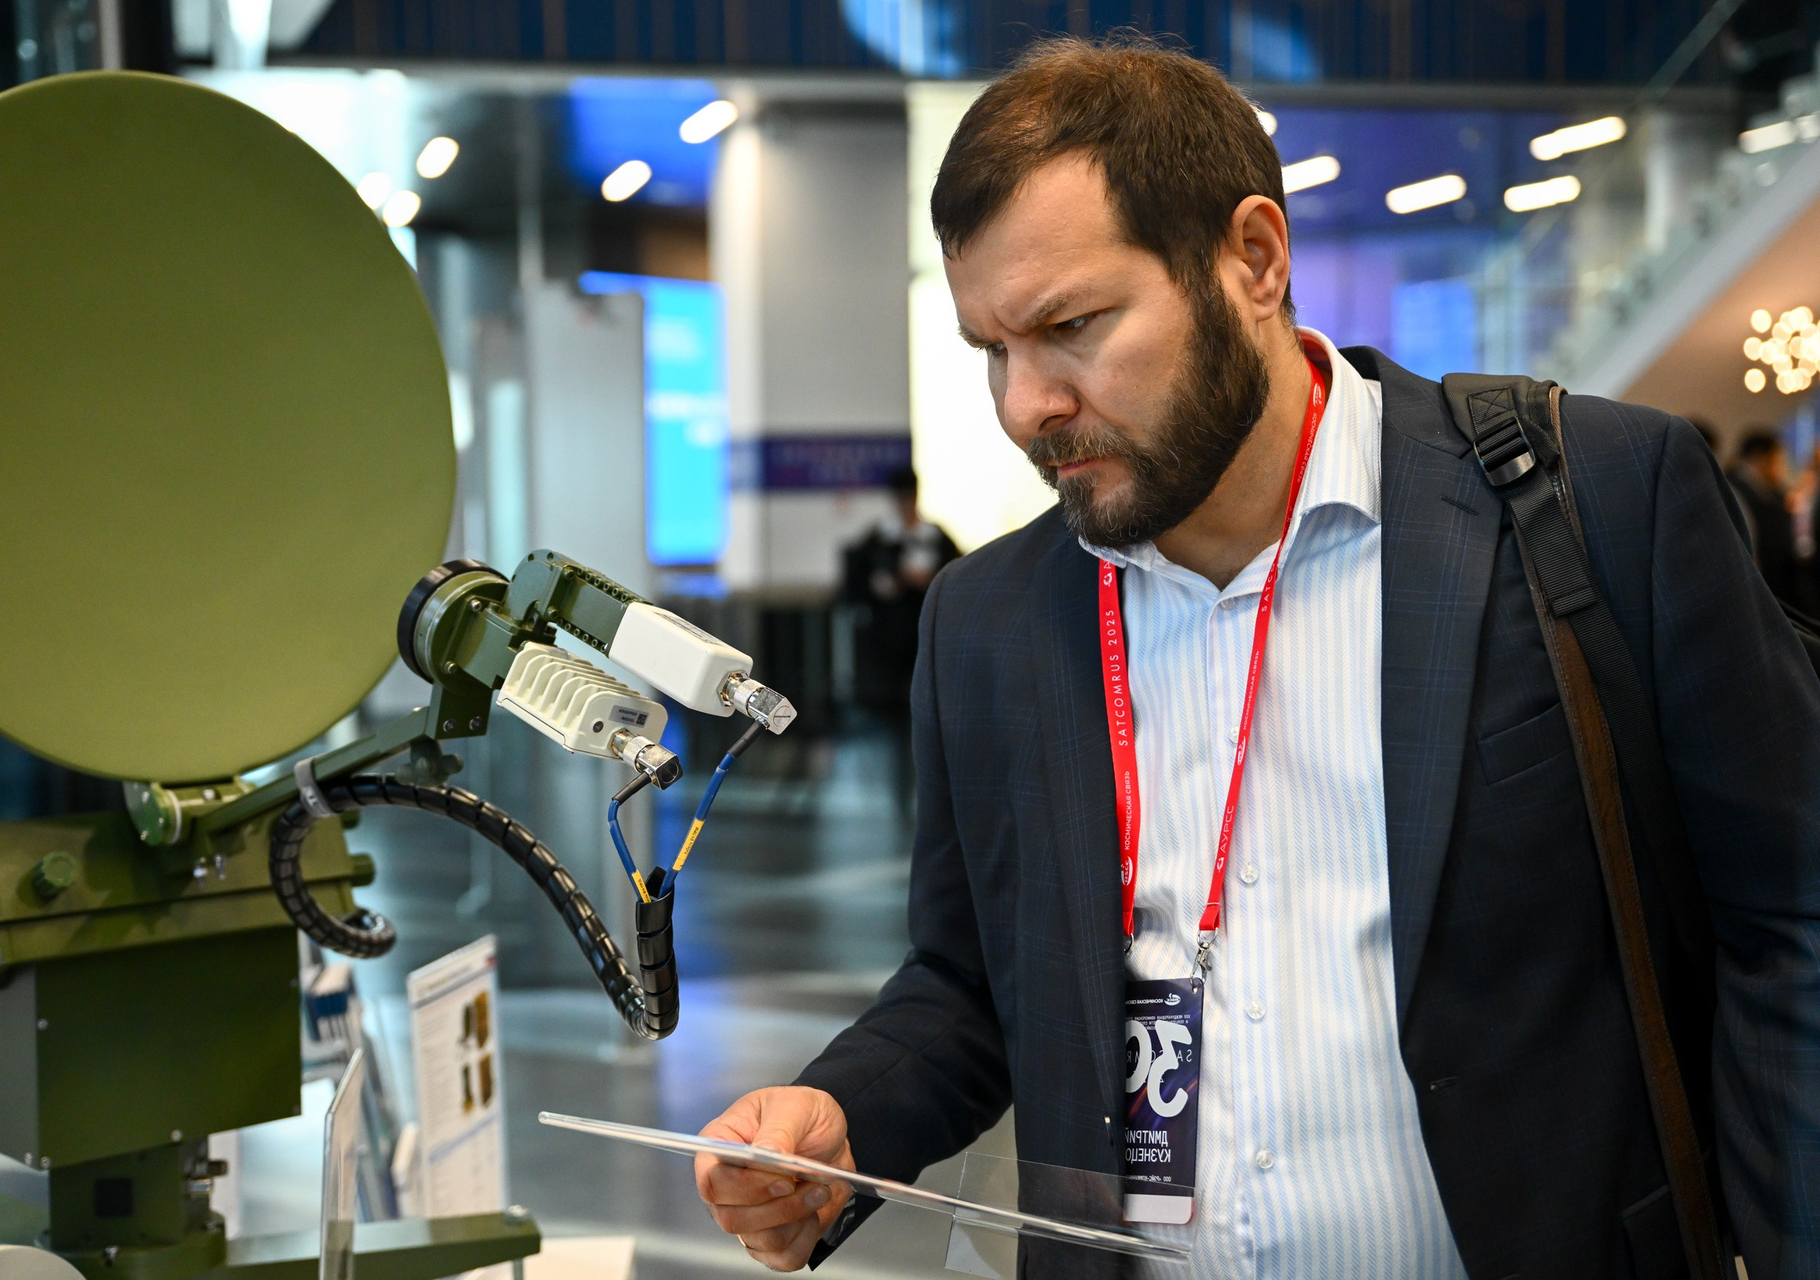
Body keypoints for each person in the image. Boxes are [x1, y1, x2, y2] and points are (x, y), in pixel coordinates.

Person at [693, 35, 1820, 1279]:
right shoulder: (990, 621)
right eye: (991, 349)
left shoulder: (1590, 502)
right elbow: (970, 980)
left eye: (1071, 326)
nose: (1025, 405)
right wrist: (844, 1111)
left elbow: (1792, 920)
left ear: (1255, 260)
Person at [839, 466, 960, 717]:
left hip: (926, 630)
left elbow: (957, 575)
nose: (907, 506)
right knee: (891, 704)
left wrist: (929, 579)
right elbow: (853, 585)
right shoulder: (878, 539)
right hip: (887, 635)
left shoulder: (935, 537)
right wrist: (890, 582)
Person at [1726, 430, 1801, 604]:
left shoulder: (1768, 490)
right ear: (1761, 457)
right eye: (1778, 460)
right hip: (1762, 582)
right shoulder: (1734, 489)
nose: (1781, 468)